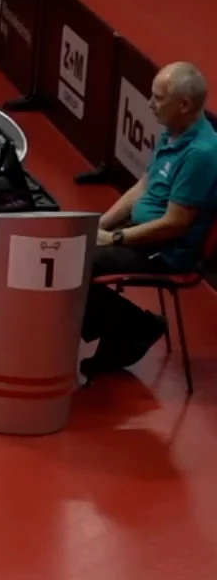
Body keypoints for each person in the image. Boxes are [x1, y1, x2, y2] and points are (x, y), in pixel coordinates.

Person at [84, 62, 217, 378]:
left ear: (183, 105)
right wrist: (100, 225)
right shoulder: (172, 132)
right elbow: (142, 186)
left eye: (158, 98)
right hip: (141, 235)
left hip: (168, 251)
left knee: (79, 262)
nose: (149, 104)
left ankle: (136, 327)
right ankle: (124, 329)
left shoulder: (201, 153)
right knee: (71, 245)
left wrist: (114, 238)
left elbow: (174, 224)